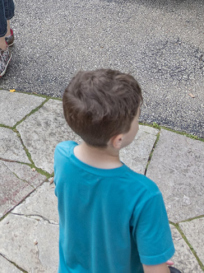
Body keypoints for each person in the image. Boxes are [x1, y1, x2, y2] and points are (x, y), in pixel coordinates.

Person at [56, 69, 178, 273]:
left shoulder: (62, 156)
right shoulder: (144, 194)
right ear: (118, 139)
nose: (138, 123)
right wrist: (156, 260)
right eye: (137, 119)